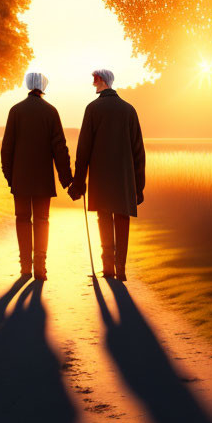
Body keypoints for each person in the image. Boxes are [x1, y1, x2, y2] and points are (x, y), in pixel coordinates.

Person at [68, 69, 145, 281]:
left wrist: (78, 183)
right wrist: (139, 186)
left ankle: (108, 268)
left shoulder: (92, 109)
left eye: (95, 80)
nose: (93, 84)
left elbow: (84, 149)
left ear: (103, 81)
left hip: (101, 178)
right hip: (124, 178)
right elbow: (138, 151)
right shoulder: (129, 110)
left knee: (103, 219)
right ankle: (121, 269)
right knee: (122, 219)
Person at [1, 72, 73, 280]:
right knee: (42, 220)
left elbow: (7, 148)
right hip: (43, 179)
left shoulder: (15, 111)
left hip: (20, 179)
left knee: (22, 219)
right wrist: (66, 179)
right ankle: (40, 266)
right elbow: (60, 148)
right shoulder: (51, 112)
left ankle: (25, 267)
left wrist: (10, 176)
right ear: (43, 87)